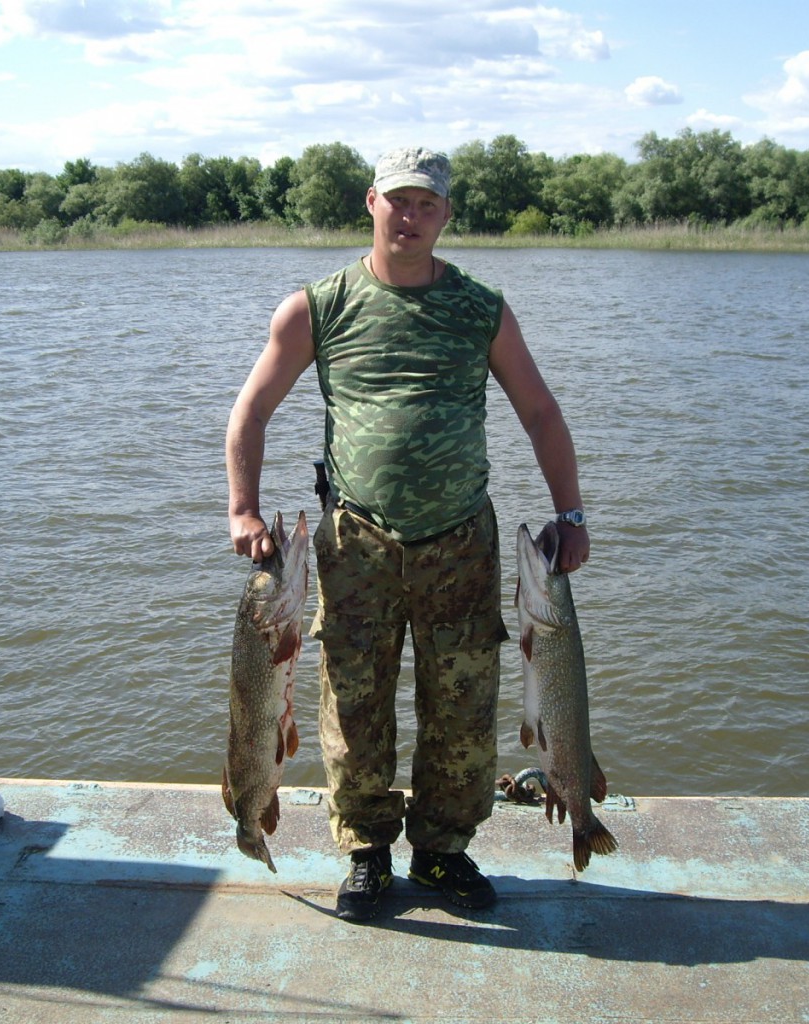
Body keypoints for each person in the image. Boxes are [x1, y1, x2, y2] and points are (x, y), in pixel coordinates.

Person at [226, 146, 590, 921]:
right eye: (400, 200)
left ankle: (442, 850)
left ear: (446, 214)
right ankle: (367, 850)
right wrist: (243, 509)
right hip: (356, 543)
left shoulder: (480, 307)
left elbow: (540, 412)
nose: (412, 217)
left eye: (428, 204)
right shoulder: (317, 307)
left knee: (463, 705)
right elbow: (251, 410)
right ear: (372, 202)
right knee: (354, 703)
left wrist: (572, 514)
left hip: (461, 542)